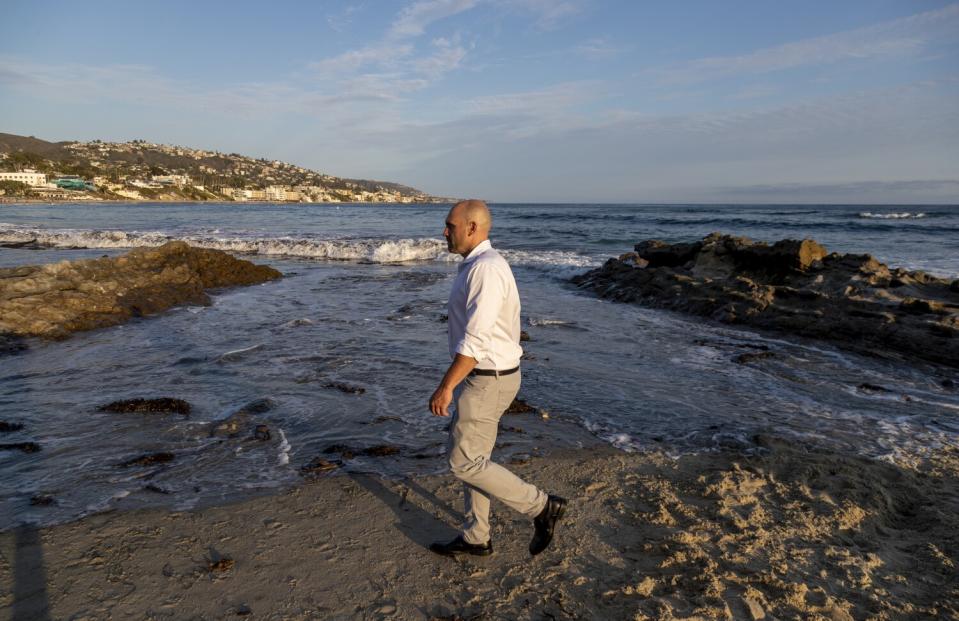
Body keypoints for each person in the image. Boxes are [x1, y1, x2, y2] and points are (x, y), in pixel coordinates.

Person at [428, 199, 567, 557]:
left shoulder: (486, 270)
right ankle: (477, 536)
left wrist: (446, 386)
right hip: (491, 376)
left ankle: (541, 506)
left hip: (487, 379)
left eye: (450, 225)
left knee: (463, 462)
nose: (445, 231)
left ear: (472, 227)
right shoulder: (478, 265)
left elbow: (476, 339)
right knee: (477, 460)